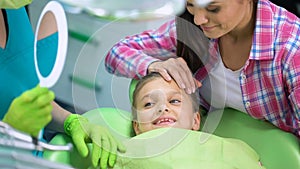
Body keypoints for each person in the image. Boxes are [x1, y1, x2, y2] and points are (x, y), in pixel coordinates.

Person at [105, 0, 300, 138]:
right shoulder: (192, 28)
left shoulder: (291, 49)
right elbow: (115, 54)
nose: (198, 20)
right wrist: (153, 65)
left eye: (213, 8)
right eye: (190, 5)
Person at [0, 1, 125, 169]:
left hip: (37, 158)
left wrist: (70, 121)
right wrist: (8, 136)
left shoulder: (13, 8)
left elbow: (25, 96)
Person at [113, 72, 265, 169]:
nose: (162, 108)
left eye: (174, 101)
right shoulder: (125, 151)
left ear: (195, 120)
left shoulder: (227, 148)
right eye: (149, 104)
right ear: (137, 126)